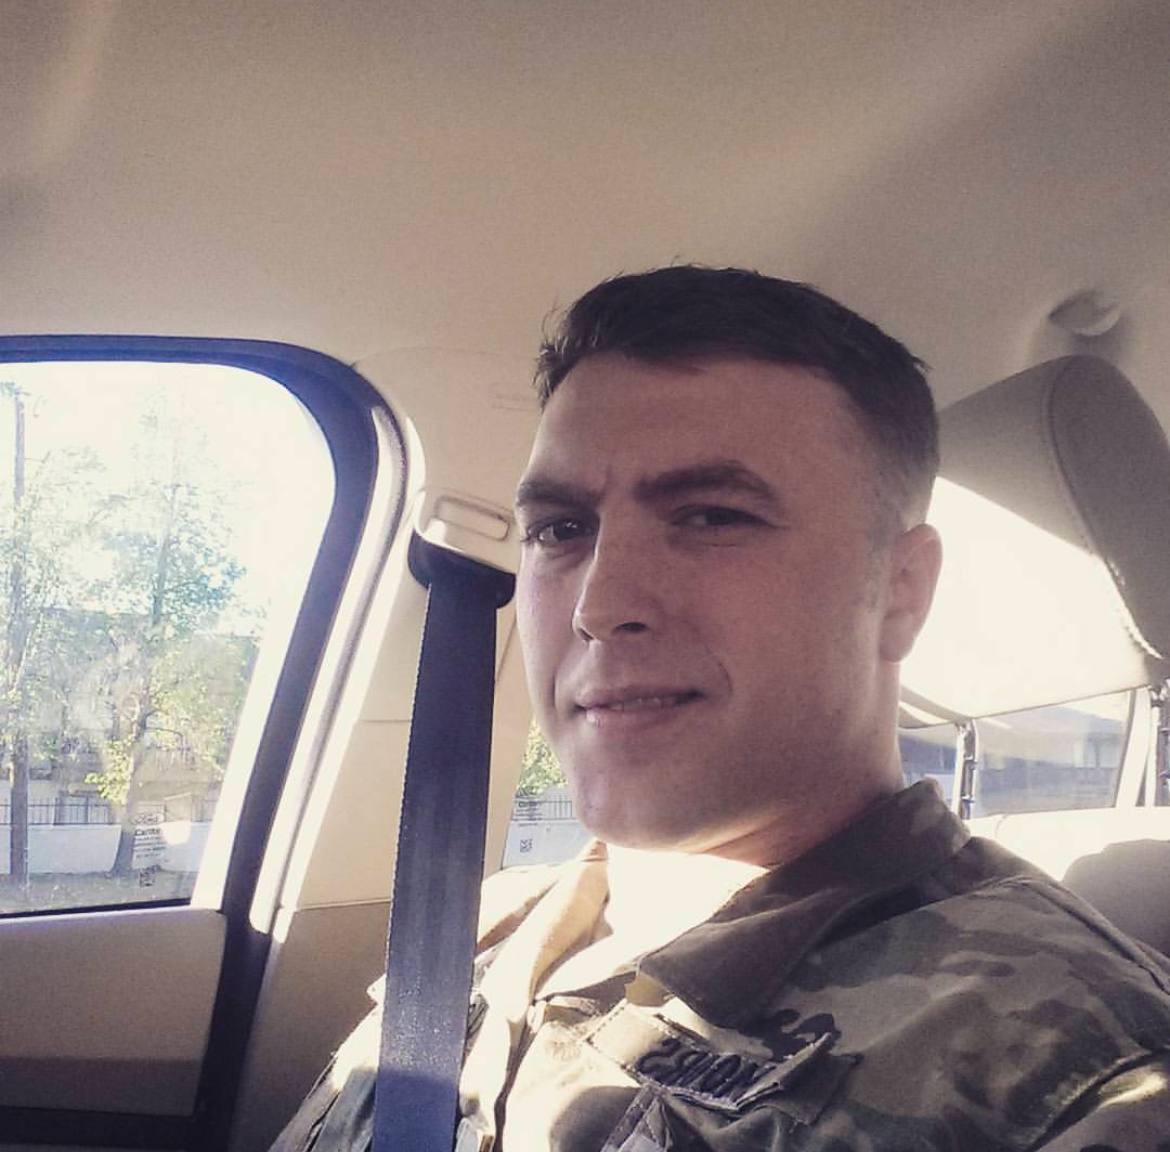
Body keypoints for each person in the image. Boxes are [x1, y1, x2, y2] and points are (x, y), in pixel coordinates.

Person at [272, 266, 1170, 1151]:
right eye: (561, 529)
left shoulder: (1079, 1078)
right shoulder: (483, 926)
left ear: (901, 591)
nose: (598, 606)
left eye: (711, 516)